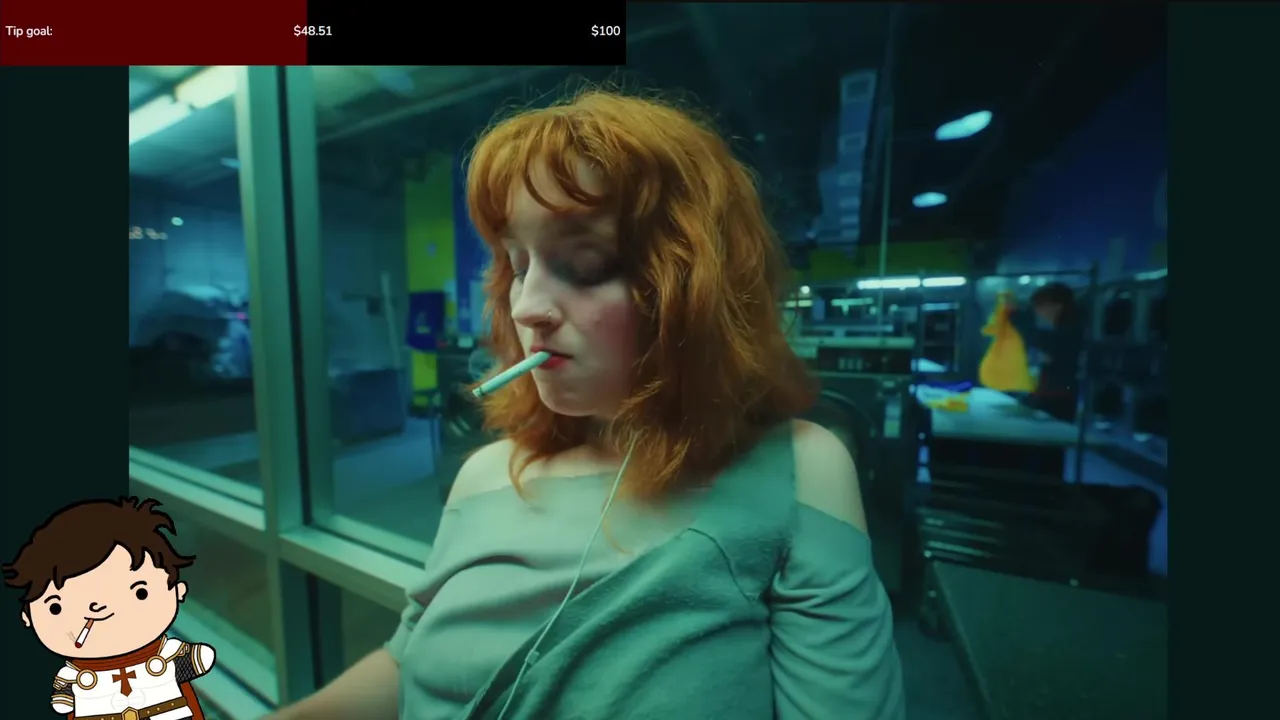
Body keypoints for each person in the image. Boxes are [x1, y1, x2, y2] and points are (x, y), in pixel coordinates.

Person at [269, 89, 905, 720]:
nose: (527, 308)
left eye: (586, 262)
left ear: (697, 286)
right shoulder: (484, 475)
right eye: (518, 265)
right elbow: (410, 661)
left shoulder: (800, 471)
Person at [2, 497, 217, 719]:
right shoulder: (75, 675)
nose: (98, 607)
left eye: (140, 592)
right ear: (28, 617)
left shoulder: (166, 656)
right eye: (57, 607)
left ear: (178, 590)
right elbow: (62, 703)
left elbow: (199, 660)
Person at [1008, 282, 1086, 423]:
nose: (1038, 312)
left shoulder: (1071, 332)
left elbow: (1050, 348)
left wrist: (1019, 320)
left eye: (1039, 306)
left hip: (1058, 399)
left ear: (1057, 306)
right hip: (1055, 396)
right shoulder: (1068, 328)